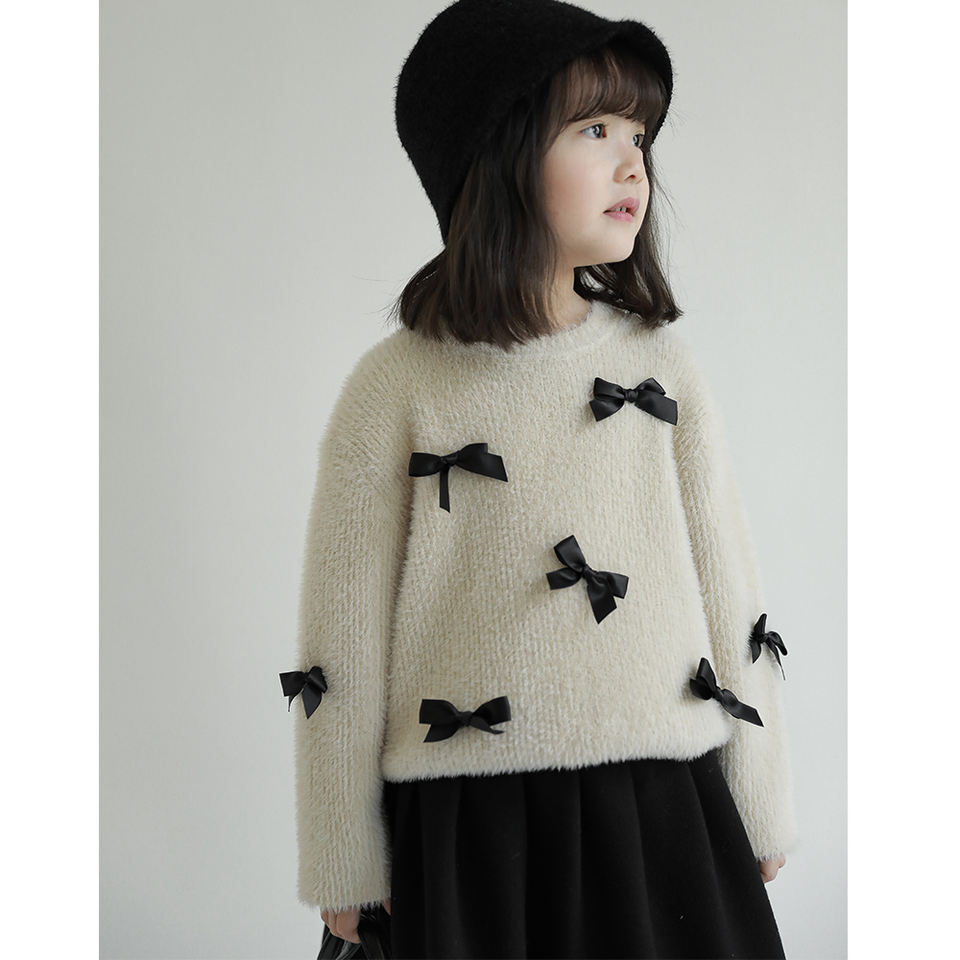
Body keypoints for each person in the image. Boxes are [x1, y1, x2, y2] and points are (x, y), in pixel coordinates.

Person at [281, 1, 799, 956]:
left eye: (639, 134)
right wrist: (342, 854)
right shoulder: (395, 389)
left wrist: (759, 799)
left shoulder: (663, 367)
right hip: (466, 834)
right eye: (595, 129)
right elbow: (340, 640)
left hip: (661, 815)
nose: (633, 163)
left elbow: (730, 588)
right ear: (497, 155)